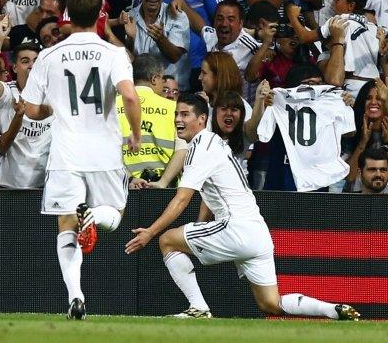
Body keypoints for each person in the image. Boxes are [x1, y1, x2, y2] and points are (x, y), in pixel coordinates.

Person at [125, 94, 361, 321]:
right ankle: (331, 309)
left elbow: (182, 199)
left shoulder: (201, 146)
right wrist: (201, 221)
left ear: (201, 119)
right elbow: (211, 191)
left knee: (166, 240)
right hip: (258, 233)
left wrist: (150, 232)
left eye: (185, 114)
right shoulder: (215, 143)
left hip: (235, 227)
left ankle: (198, 308)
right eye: (177, 114)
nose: (178, 119)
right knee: (271, 303)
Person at [21, 0, 142, 320]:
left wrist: (55, 106)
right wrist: (135, 131)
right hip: (103, 152)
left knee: (65, 223)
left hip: (65, 155)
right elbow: (129, 96)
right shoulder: (114, 53)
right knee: (114, 215)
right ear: (101, 15)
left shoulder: (49, 55)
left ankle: (75, 296)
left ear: (67, 15)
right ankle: (96, 216)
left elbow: (31, 110)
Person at [0, 18, 52, 188]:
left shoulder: (53, 95)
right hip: (10, 186)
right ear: (14, 67)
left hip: (44, 187)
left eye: (36, 61)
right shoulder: (8, 93)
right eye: (25, 61)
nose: (31, 66)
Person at [117, 54, 185, 188]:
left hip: (123, 186)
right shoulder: (173, 107)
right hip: (164, 189)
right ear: (154, 79)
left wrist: (129, 179)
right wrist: (163, 182)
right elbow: (182, 149)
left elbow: (107, 151)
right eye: (162, 79)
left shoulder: (112, 106)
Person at [124, 0, 190, 91]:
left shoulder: (177, 15)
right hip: (141, 92)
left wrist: (161, 39)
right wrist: (130, 40)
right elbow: (129, 60)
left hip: (174, 95)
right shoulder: (129, 16)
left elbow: (175, 56)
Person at [344, 80, 388, 192]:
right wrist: (362, 142)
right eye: (368, 98)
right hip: (358, 197)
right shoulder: (350, 132)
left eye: (379, 98)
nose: (373, 102)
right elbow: (349, 178)